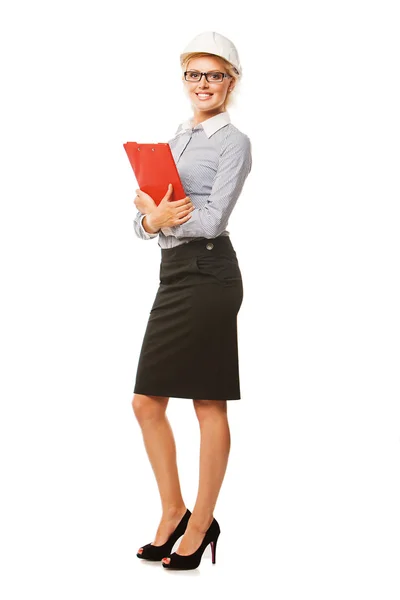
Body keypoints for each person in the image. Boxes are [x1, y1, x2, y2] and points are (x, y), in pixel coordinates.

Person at [131, 31, 252, 570]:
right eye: (194, 74)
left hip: (209, 274)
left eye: (215, 74)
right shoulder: (176, 138)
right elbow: (145, 217)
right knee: (146, 402)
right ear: (184, 80)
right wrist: (147, 219)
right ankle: (173, 510)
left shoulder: (234, 142)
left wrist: (158, 218)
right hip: (173, 274)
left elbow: (212, 218)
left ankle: (201, 523)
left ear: (231, 81)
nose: (203, 83)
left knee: (207, 402)